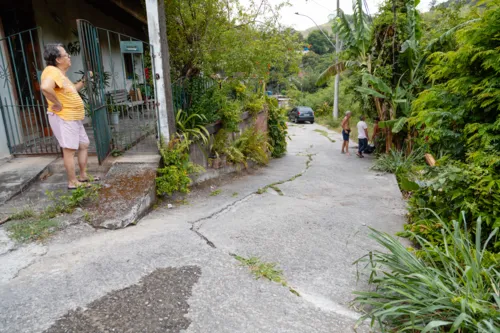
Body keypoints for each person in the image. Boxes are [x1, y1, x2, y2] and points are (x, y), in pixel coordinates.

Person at [40, 44, 98, 190]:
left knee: (83, 144)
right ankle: (72, 181)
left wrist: (84, 80)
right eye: (66, 55)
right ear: (58, 59)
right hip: (64, 117)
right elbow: (45, 88)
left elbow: (72, 90)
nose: (69, 57)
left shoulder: (61, 75)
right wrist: (57, 103)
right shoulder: (51, 71)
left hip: (73, 117)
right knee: (70, 149)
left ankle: (83, 175)